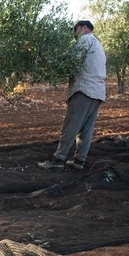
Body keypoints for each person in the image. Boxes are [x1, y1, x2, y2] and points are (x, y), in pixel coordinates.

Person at [39, 20, 107, 170]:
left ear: (84, 28)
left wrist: (53, 62)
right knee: (86, 129)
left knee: (71, 126)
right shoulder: (97, 43)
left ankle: (58, 160)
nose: (73, 33)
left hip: (84, 90)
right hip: (98, 92)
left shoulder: (85, 39)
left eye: (74, 29)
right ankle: (79, 161)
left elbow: (72, 61)